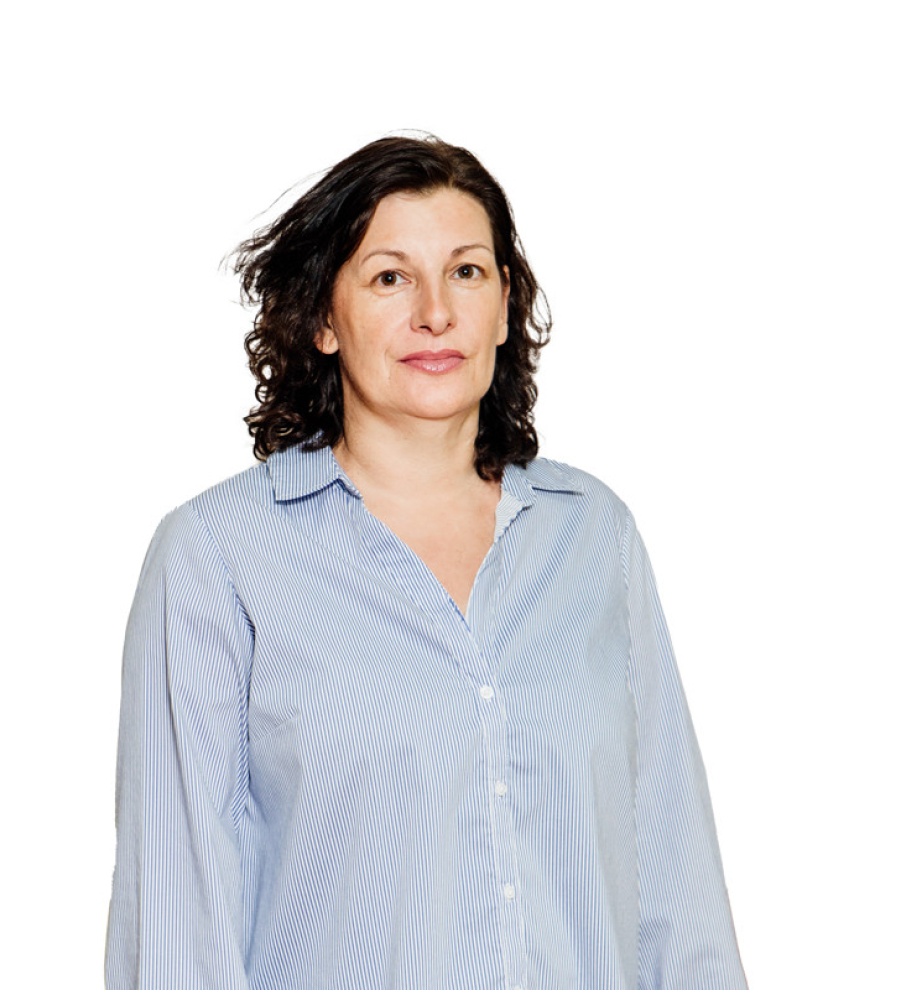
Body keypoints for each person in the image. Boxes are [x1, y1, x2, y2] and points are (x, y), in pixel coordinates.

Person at [105, 135, 748, 989]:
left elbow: (675, 882)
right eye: (390, 278)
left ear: (505, 305)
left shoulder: (594, 536)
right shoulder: (219, 556)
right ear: (323, 319)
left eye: (466, 272)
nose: (435, 313)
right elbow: (177, 926)